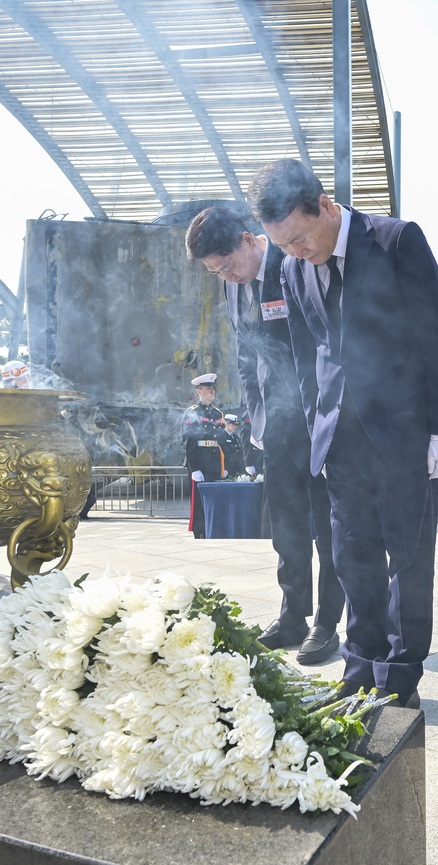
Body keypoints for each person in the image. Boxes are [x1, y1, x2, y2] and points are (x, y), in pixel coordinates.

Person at [249, 158, 438, 709]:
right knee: (351, 554)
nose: (296, 252)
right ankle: (359, 666)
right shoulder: (292, 269)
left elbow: (437, 333)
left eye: (299, 237)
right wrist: (304, 427)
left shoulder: (394, 241)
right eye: (283, 245)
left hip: (402, 429)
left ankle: (400, 672)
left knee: (407, 557)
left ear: (323, 205)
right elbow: (303, 353)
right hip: (336, 436)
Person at [187, 206, 344, 665]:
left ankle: (327, 623)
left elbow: (324, 344)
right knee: (287, 529)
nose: (229, 277)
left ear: (248, 239)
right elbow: (245, 357)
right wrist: (257, 419)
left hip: (318, 422)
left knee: (328, 527)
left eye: (230, 264)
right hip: (276, 427)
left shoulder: (294, 265)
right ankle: (292, 616)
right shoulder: (234, 288)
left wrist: (325, 417)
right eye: (217, 272)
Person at [182, 374, 227, 540]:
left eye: (213, 388)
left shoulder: (217, 414)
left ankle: (213, 530)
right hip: (200, 462)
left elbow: (222, 441)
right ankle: (199, 533)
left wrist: (225, 465)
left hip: (214, 463)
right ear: (198, 391)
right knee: (199, 503)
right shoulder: (192, 413)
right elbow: (189, 441)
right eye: (208, 388)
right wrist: (194, 468)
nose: (212, 391)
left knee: (215, 500)